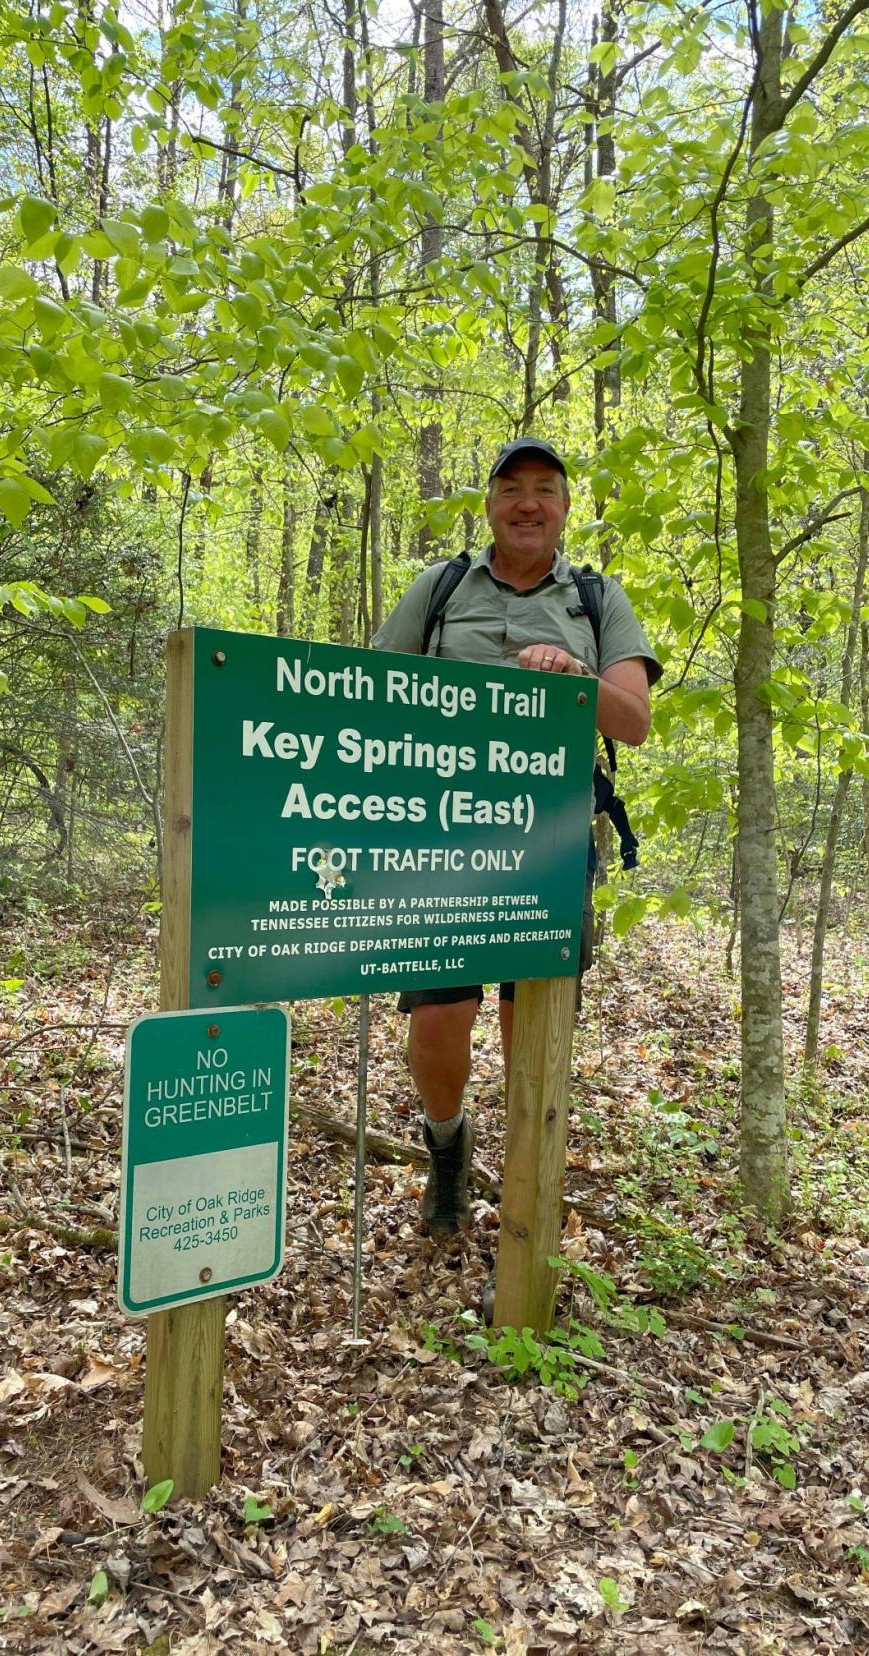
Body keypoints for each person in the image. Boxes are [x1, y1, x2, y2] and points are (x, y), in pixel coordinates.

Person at [372, 437, 661, 1236]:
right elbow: (372, 693)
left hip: (552, 838)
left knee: (530, 1020)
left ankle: (532, 1176)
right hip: (440, 835)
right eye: (512, 488)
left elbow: (633, 723)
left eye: (545, 489)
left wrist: (575, 682)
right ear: (491, 504)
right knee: (437, 1021)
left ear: (565, 510)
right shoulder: (439, 588)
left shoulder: (597, 599)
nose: (528, 502)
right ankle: (447, 1147)